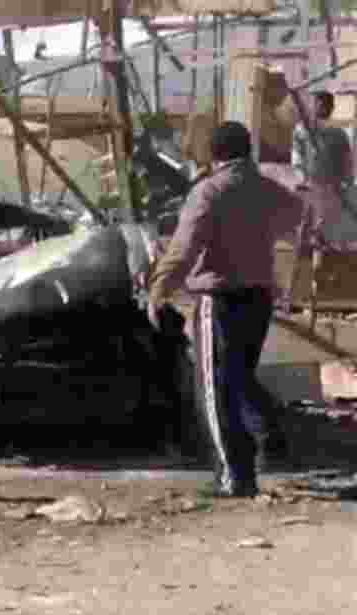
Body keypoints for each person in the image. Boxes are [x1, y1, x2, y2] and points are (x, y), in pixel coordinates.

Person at [147, 121, 304, 498]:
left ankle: (235, 476)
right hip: (259, 298)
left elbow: (183, 250)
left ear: (214, 153)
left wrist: (159, 290)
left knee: (215, 391)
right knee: (238, 377)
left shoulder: (208, 191)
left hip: (219, 301)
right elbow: (295, 214)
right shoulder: (267, 188)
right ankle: (271, 436)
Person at [290, 90, 355, 317]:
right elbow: (297, 159)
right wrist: (302, 181)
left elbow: (347, 163)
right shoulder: (302, 131)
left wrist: (345, 184)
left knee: (327, 243)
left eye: (327, 104)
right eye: (318, 103)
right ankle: (297, 295)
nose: (322, 107)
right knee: (304, 242)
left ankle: (325, 298)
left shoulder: (338, 134)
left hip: (331, 193)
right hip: (309, 192)